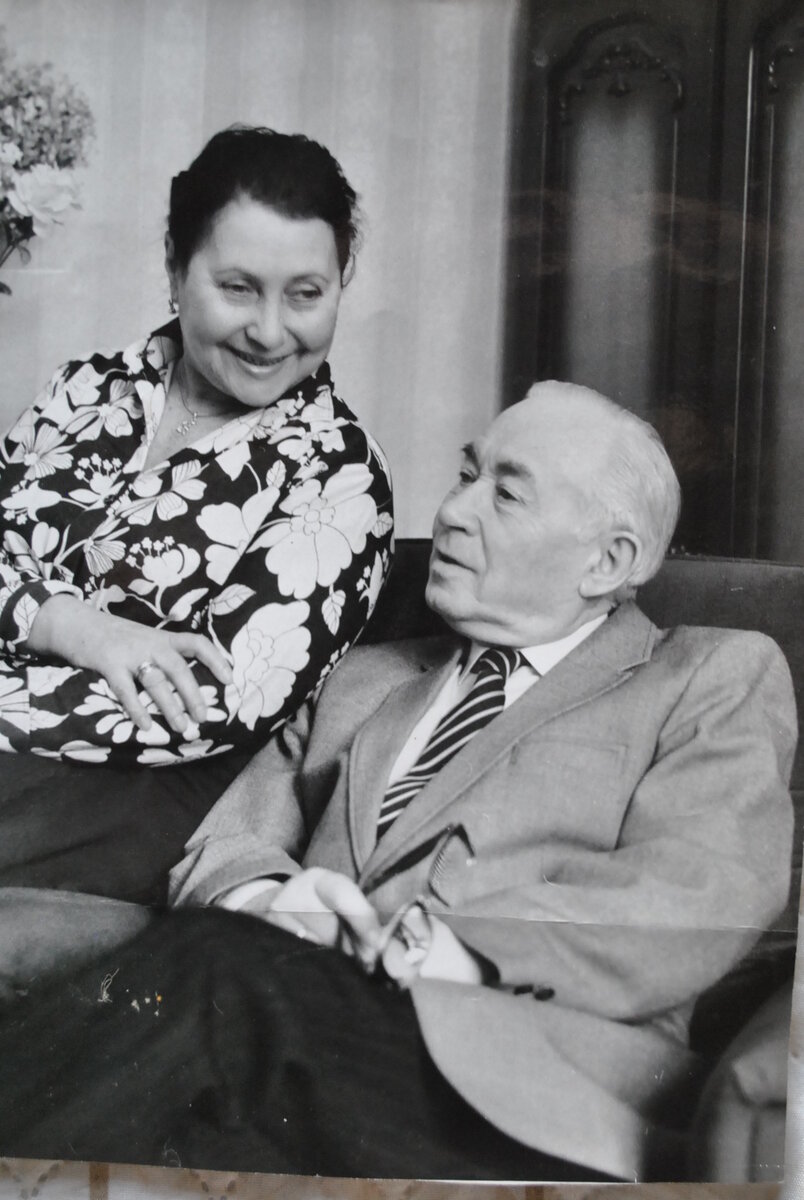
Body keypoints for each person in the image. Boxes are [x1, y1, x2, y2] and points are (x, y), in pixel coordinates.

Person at [0, 383, 794, 1182]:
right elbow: (227, 841)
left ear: (609, 560)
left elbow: (698, 892)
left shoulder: (708, 675)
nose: (452, 512)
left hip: (518, 1085)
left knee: (216, 976)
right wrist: (273, 902)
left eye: (506, 494)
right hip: (295, 1042)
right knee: (198, 1123)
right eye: (466, 476)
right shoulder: (366, 677)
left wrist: (451, 947)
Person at [0, 126, 393, 902]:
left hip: (126, 798)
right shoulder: (85, 389)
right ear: (176, 267)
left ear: (342, 280)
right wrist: (78, 628)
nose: (270, 332)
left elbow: (211, 704)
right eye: (239, 288)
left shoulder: (340, 477)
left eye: (306, 294)